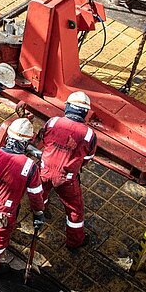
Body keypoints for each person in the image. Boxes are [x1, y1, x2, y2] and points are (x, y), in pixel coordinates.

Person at [0, 118, 45, 274]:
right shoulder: (29, 166)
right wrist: (39, 213)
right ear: (26, 143)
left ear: (8, 137)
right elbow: (35, 195)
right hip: (4, 212)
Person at [36, 91, 97, 251]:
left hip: (44, 170)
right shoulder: (89, 134)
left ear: (68, 107)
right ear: (85, 112)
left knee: (40, 194)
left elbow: (43, 140)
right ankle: (75, 242)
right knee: (74, 209)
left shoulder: (53, 122)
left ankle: (40, 212)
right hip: (66, 178)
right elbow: (87, 159)